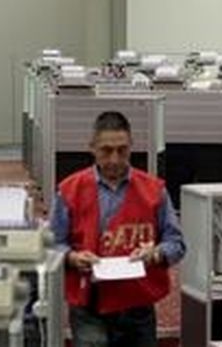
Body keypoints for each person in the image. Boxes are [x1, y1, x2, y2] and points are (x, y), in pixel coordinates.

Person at [50, 111, 185, 347]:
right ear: (92, 148)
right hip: (89, 303)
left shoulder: (154, 190)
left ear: (131, 147)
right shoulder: (70, 190)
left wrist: (156, 253)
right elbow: (51, 244)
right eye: (106, 151)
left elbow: (177, 243)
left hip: (138, 304)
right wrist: (71, 257)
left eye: (122, 150)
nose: (114, 159)